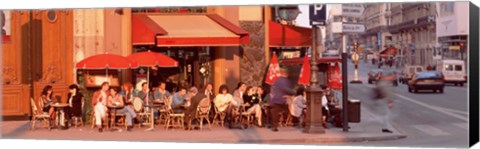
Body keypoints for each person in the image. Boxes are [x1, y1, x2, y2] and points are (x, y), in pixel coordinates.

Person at [270, 67, 294, 132]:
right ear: (286, 74)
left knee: (275, 113)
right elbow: (286, 89)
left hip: (275, 98)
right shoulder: (285, 80)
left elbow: (272, 88)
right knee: (289, 110)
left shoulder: (277, 80)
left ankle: (274, 126)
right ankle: (294, 121)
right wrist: (293, 92)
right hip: (282, 99)